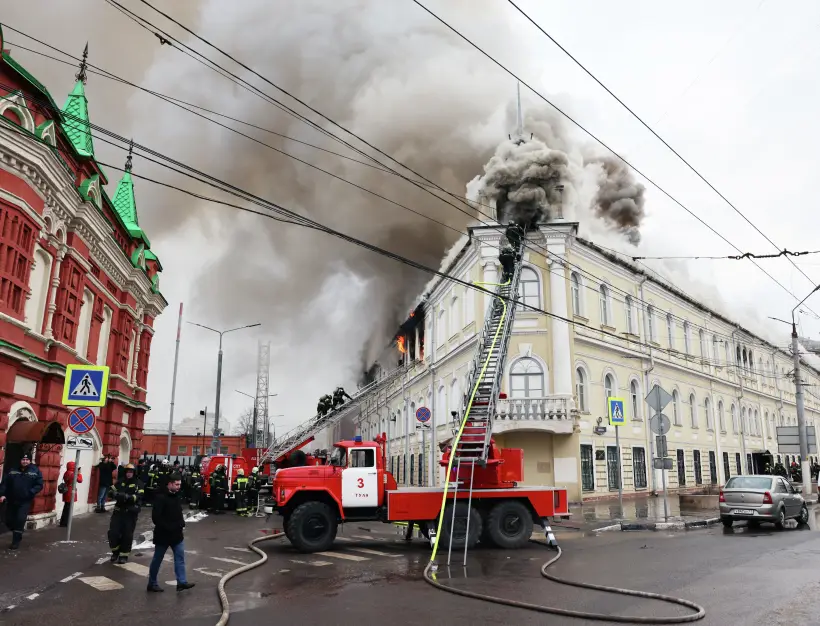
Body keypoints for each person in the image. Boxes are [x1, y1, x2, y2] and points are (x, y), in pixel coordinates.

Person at [147, 474, 195, 592]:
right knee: (157, 559)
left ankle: (181, 582)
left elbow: (178, 512)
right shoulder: (160, 497)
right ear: (170, 483)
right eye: (177, 484)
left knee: (180, 558)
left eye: (180, 484)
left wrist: (181, 523)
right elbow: (156, 518)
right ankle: (152, 583)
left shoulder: (176, 496)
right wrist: (169, 527)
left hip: (177, 536)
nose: (179, 487)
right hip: (163, 535)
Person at [0, 453, 43, 550]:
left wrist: (31, 492)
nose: (25, 461)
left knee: (20, 520)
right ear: (20, 461)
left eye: (27, 460)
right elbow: (4, 484)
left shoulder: (35, 471)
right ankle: (17, 530)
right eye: (23, 459)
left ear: (30, 461)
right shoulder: (12, 470)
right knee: (8, 520)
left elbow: (39, 485)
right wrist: (2, 494)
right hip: (11, 500)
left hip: (25, 501)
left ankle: (16, 541)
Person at [108, 464, 143, 564]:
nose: (129, 474)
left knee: (127, 535)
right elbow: (111, 490)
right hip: (118, 512)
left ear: (134, 473)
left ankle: (124, 555)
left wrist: (127, 497)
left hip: (130, 513)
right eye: (127, 472)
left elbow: (139, 496)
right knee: (113, 533)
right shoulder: (121, 481)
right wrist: (113, 494)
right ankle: (115, 552)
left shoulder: (138, 483)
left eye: (131, 472)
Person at [59, 461, 83, 527]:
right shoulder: (73, 474)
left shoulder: (66, 472)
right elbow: (80, 480)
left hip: (66, 491)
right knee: (69, 508)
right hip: (70, 491)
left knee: (66, 507)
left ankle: (63, 522)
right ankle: (66, 522)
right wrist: (79, 473)